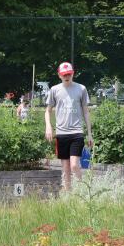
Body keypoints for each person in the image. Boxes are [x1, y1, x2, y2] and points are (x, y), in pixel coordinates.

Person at [45, 62, 93, 192]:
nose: (67, 77)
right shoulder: (54, 90)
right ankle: (68, 195)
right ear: (59, 75)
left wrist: (89, 133)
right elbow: (48, 110)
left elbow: (86, 111)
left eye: (69, 74)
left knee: (74, 165)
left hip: (77, 132)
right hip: (61, 133)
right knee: (65, 169)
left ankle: (82, 191)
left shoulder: (81, 88)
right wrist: (48, 127)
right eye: (64, 74)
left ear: (73, 73)